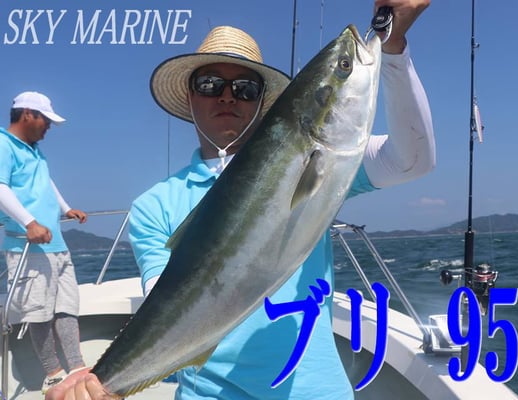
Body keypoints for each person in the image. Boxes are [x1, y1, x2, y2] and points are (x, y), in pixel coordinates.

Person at [47, 0, 435, 398]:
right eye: (210, 85)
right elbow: (163, 300)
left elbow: (412, 160)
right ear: (190, 96)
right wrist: (101, 384)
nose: (227, 97)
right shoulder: (154, 205)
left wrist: (394, 49)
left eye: (245, 89)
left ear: (263, 102)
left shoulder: (329, 162)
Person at [0, 91, 88, 393]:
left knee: (66, 307)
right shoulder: (4, 144)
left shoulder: (35, 151)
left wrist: (66, 208)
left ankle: (78, 367)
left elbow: (46, 182)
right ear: (28, 114)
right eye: (45, 120)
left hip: (56, 244)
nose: (48, 126)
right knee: (38, 314)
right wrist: (29, 223)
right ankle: (53, 373)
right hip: (27, 247)